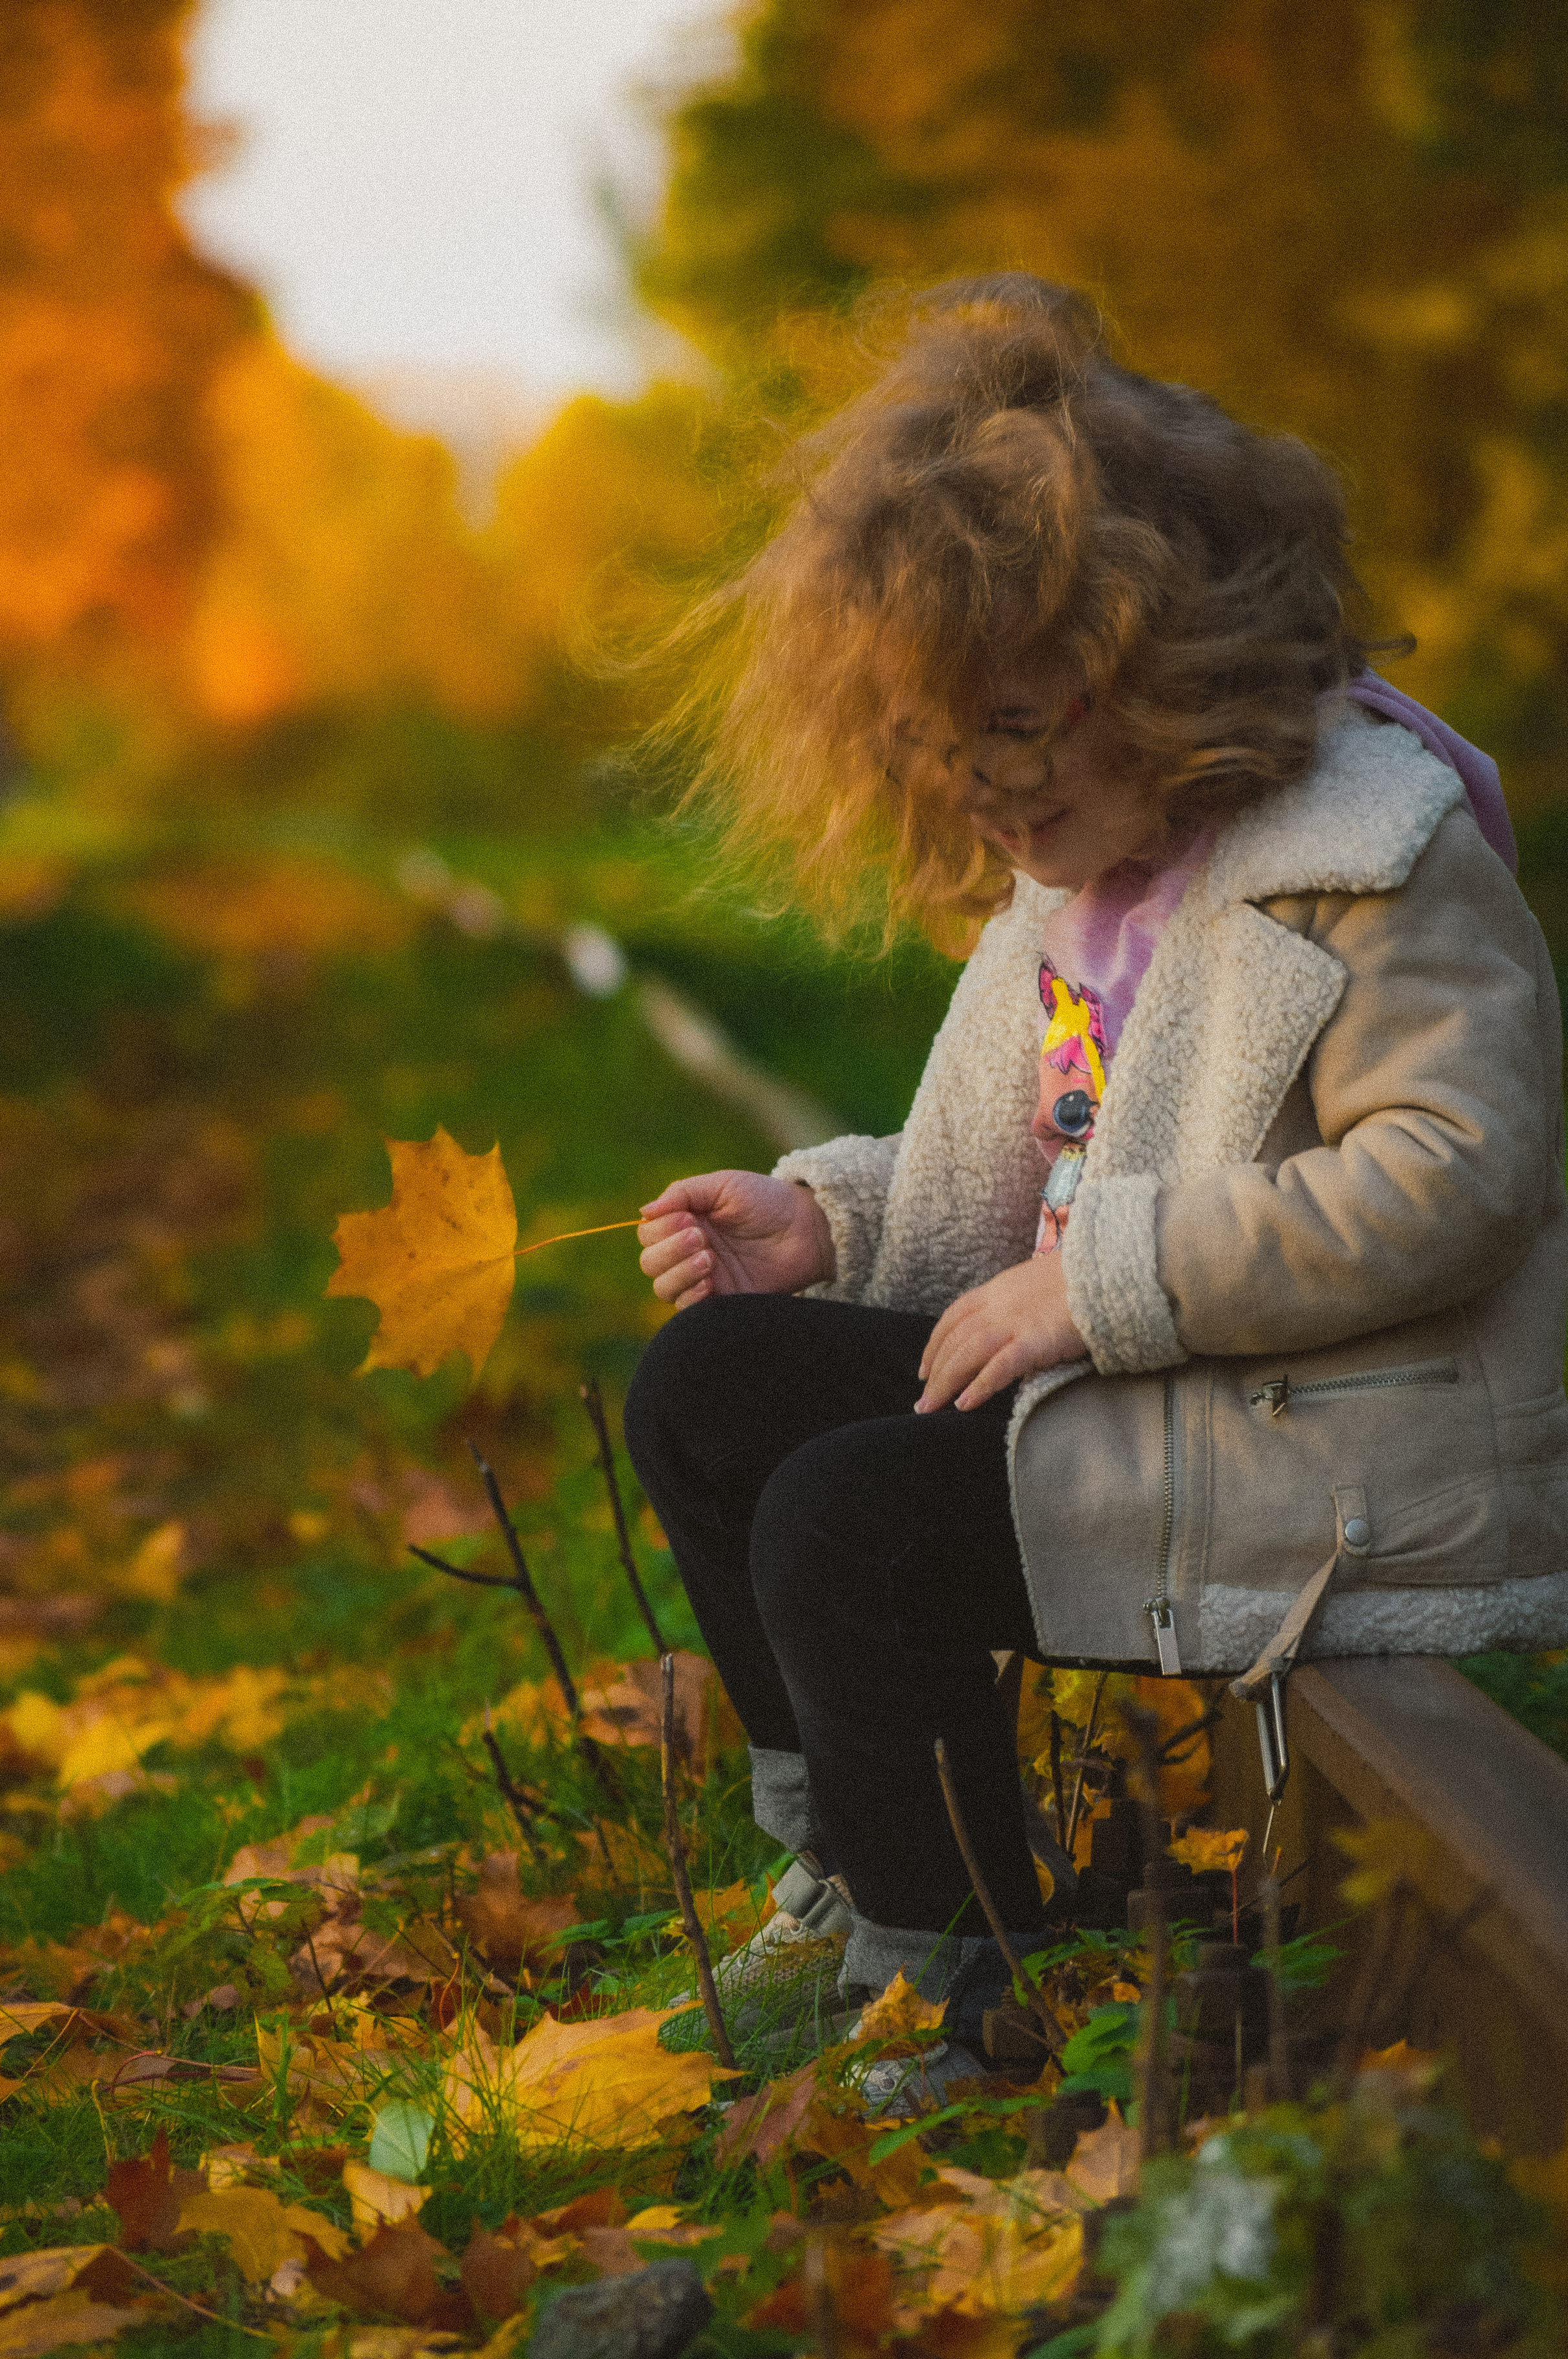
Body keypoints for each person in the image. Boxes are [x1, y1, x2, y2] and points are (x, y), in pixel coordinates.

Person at [621, 274, 1568, 2076]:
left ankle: (957, 1971)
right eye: (942, 741)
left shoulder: (1373, 858)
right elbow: (1042, 1159)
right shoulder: (1078, 879)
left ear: (1162, 658)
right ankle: (850, 1880)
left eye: (1021, 729)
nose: (981, 787)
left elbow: (1461, 1178)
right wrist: (835, 1218)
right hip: (1143, 1390)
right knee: (710, 1389)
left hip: (1325, 1441)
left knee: (848, 1516)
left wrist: (1107, 1285)